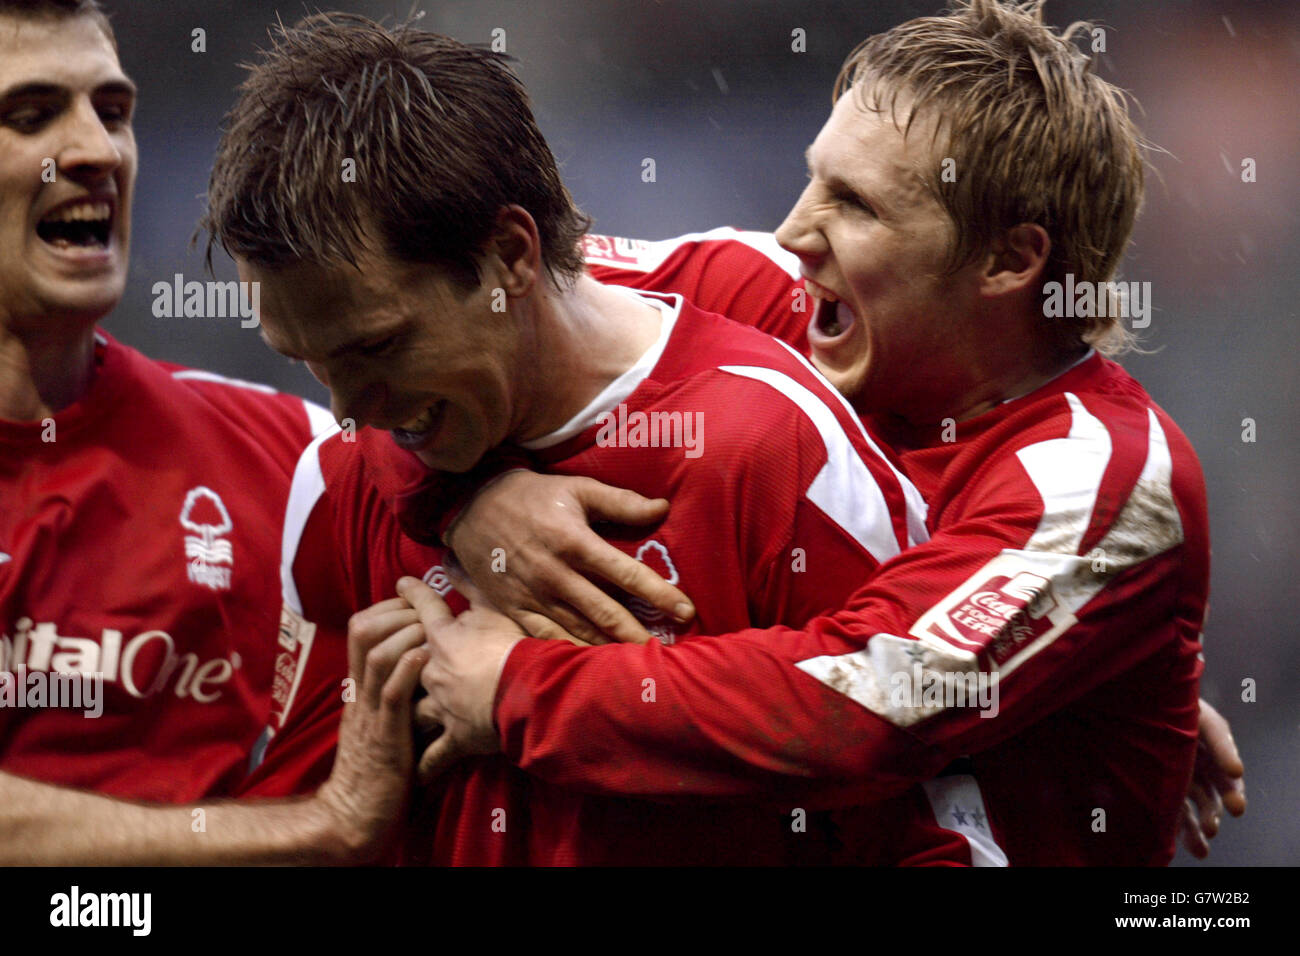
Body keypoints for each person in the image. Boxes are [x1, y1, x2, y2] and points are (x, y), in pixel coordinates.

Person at [397, 0, 1243, 864]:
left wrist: (518, 690)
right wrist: (465, 497)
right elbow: (465, 310)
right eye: (814, 178)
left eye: (855, 204)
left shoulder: (1102, 484)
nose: (796, 231)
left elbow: (861, 702)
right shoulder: (772, 296)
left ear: (1008, 261)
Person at [207, 12, 977, 866]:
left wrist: (521, 696)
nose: (348, 407)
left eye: (379, 347)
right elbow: (312, 826)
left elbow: (915, 807)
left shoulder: (773, 448)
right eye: (307, 360)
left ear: (508, 255)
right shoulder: (342, 478)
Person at [0, 0, 426, 865]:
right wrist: (318, 826)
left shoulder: (290, 456)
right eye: (32, 115)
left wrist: (490, 504)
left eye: (113, 113)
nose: (97, 152)